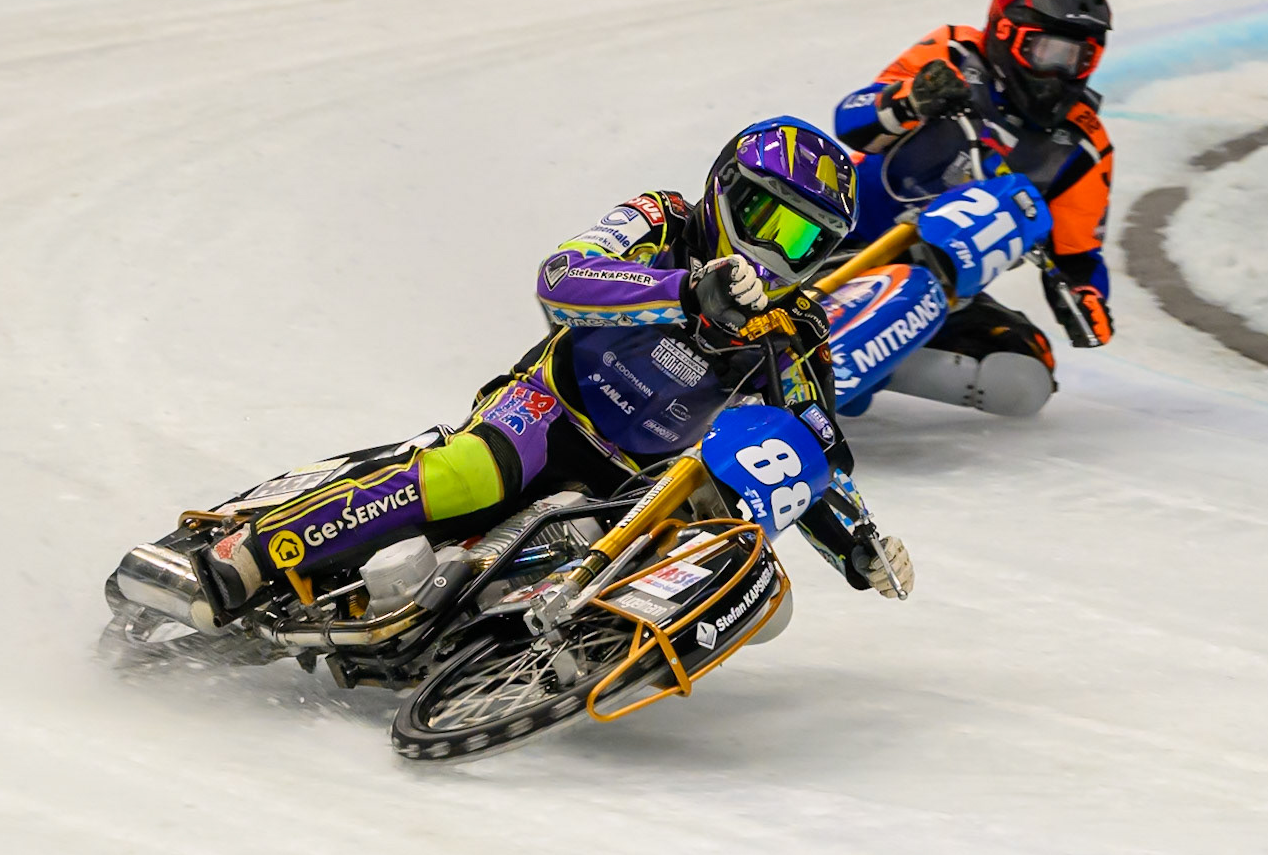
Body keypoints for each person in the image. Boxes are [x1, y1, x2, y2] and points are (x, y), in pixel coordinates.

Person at [201, 117, 914, 613]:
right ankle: (259, 548)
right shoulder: (661, 217)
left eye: (802, 241)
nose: (773, 252)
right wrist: (682, 293)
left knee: (688, 556)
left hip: (637, 478)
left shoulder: (790, 331)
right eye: (766, 216)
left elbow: (804, 449)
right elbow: (562, 275)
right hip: (548, 405)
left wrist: (855, 541)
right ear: (722, 188)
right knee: (473, 473)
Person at [833, 0, 1115, 417]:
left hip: (937, 289)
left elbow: (1077, 255)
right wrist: (910, 99)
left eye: (1078, 59)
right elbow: (852, 121)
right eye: (1046, 52)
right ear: (1005, 33)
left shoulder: (1086, 146)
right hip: (839, 234)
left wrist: (1086, 296)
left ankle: (864, 358)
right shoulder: (953, 51)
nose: (1059, 73)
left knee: (1023, 378)